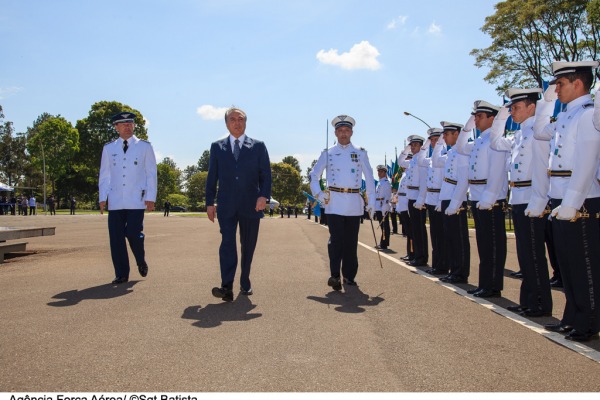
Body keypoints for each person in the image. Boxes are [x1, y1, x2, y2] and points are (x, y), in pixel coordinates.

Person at [534, 61, 600, 342]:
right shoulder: (565, 116)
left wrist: (573, 200)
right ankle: (572, 316)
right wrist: (546, 104)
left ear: (578, 83)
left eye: (560, 84)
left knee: (585, 265)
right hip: (561, 196)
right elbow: (539, 132)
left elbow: (586, 162)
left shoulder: (589, 115)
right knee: (567, 264)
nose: (556, 89)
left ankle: (589, 321)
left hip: (582, 198)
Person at [491, 88, 553, 317]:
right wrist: (501, 117)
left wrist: (539, 199)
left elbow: (541, 168)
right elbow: (495, 142)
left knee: (534, 254)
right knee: (525, 254)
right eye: (511, 108)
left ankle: (540, 303)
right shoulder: (518, 135)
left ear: (532, 107)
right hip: (518, 197)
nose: (512, 111)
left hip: (532, 197)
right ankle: (527, 300)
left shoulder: (538, 133)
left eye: (516, 107)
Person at [205, 107, 272, 301]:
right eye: (232, 119)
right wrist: (210, 202)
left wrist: (263, 196)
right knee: (227, 244)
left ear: (246, 122)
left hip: (252, 205)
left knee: (248, 245)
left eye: (240, 119)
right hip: (226, 205)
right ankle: (226, 287)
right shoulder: (217, 147)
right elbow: (212, 176)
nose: (237, 122)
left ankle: (245, 280)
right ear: (226, 123)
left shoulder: (258, 146)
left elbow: (265, 175)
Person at [310, 115, 375, 290]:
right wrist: (318, 194)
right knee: (336, 240)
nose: (343, 134)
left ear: (351, 132)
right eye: (340, 131)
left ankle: (349, 275)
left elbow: (369, 177)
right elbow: (314, 176)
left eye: (346, 130)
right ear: (335, 133)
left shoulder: (360, 152)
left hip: (354, 203)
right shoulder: (328, 153)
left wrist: (372, 201)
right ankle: (334, 275)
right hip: (335, 202)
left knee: (351, 242)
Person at [455, 100, 509, 298]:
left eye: (479, 116)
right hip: (478, 196)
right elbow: (460, 147)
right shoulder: (479, 141)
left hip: (491, 197)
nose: (476, 119)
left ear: (492, 118)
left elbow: (497, 172)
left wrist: (490, 196)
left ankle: (493, 285)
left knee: (493, 244)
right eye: (475, 116)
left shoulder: (495, 141)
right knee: (483, 244)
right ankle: (485, 283)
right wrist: (467, 127)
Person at [99, 111, 157, 284]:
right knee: (116, 238)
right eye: (123, 124)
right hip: (116, 200)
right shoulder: (109, 148)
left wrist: (151, 196)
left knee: (133, 233)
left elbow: (151, 173)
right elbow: (105, 175)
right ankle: (122, 273)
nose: (127, 126)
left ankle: (140, 259)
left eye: (130, 123)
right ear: (116, 127)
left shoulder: (145, 146)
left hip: (136, 199)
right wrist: (103, 197)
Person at [434, 121, 470, 284]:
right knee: (450, 237)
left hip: (456, 197)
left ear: (457, 134)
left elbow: (463, 179)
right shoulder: (450, 153)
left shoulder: (462, 152)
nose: (444, 137)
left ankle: (460, 272)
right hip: (446, 195)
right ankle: (454, 270)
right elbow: (435, 161)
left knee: (459, 238)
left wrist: (456, 203)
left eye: (447, 134)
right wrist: (439, 142)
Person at [398, 135, 428, 267]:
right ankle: (416, 255)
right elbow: (400, 162)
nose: (413, 147)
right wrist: (405, 149)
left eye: (415, 145)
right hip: (411, 196)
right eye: (412, 145)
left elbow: (423, 181)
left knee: (420, 229)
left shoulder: (422, 160)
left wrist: (421, 198)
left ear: (422, 146)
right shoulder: (412, 161)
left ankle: (421, 257)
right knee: (415, 229)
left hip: (418, 196)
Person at [422, 128, 447, 276]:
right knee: (434, 234)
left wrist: (441, 200)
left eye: (436, 139)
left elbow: (446, 181)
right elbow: (419, 159)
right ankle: (436, 264)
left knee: (441, 235)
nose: (433, 142)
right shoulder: (432, 160)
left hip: (440, 198)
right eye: (431, 140)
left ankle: (443, 265)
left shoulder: (444, 157)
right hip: (431, 199)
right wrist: (425, 144)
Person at [374, 165, 391, 250]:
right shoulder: (379, 182)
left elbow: (388, 196)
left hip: (382, 205)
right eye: (378, 171)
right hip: (378, 205)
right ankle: (382, 242)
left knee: (384, 226)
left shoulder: (386, 183)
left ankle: (384, 243)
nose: (379, 173)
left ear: (384, 173)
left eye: (381, 171)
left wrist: (386, 206)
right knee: (382, 226)